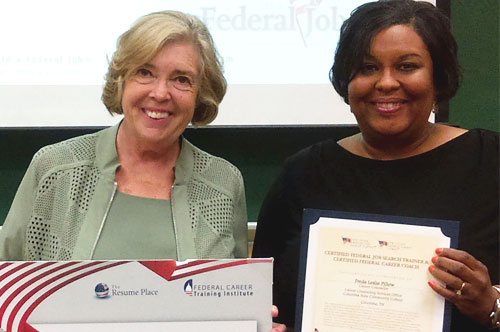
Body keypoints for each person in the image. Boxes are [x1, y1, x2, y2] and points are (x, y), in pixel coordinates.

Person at [252, 1, 499, 331]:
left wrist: (491, 305)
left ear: (439, 78)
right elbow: (261, 297)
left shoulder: (491, 163)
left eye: (407, 66)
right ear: (347, 82)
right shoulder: (302, 174)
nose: (385, 83)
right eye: (367, 68)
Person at [0, 11, 248, 261]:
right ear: (121, 81)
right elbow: (5, 280)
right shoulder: (54, 168)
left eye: (181, 79)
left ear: (200, 95)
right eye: (145, 72)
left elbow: (234, 290)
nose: (160, 93)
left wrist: (252, 302)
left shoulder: (224, 183)